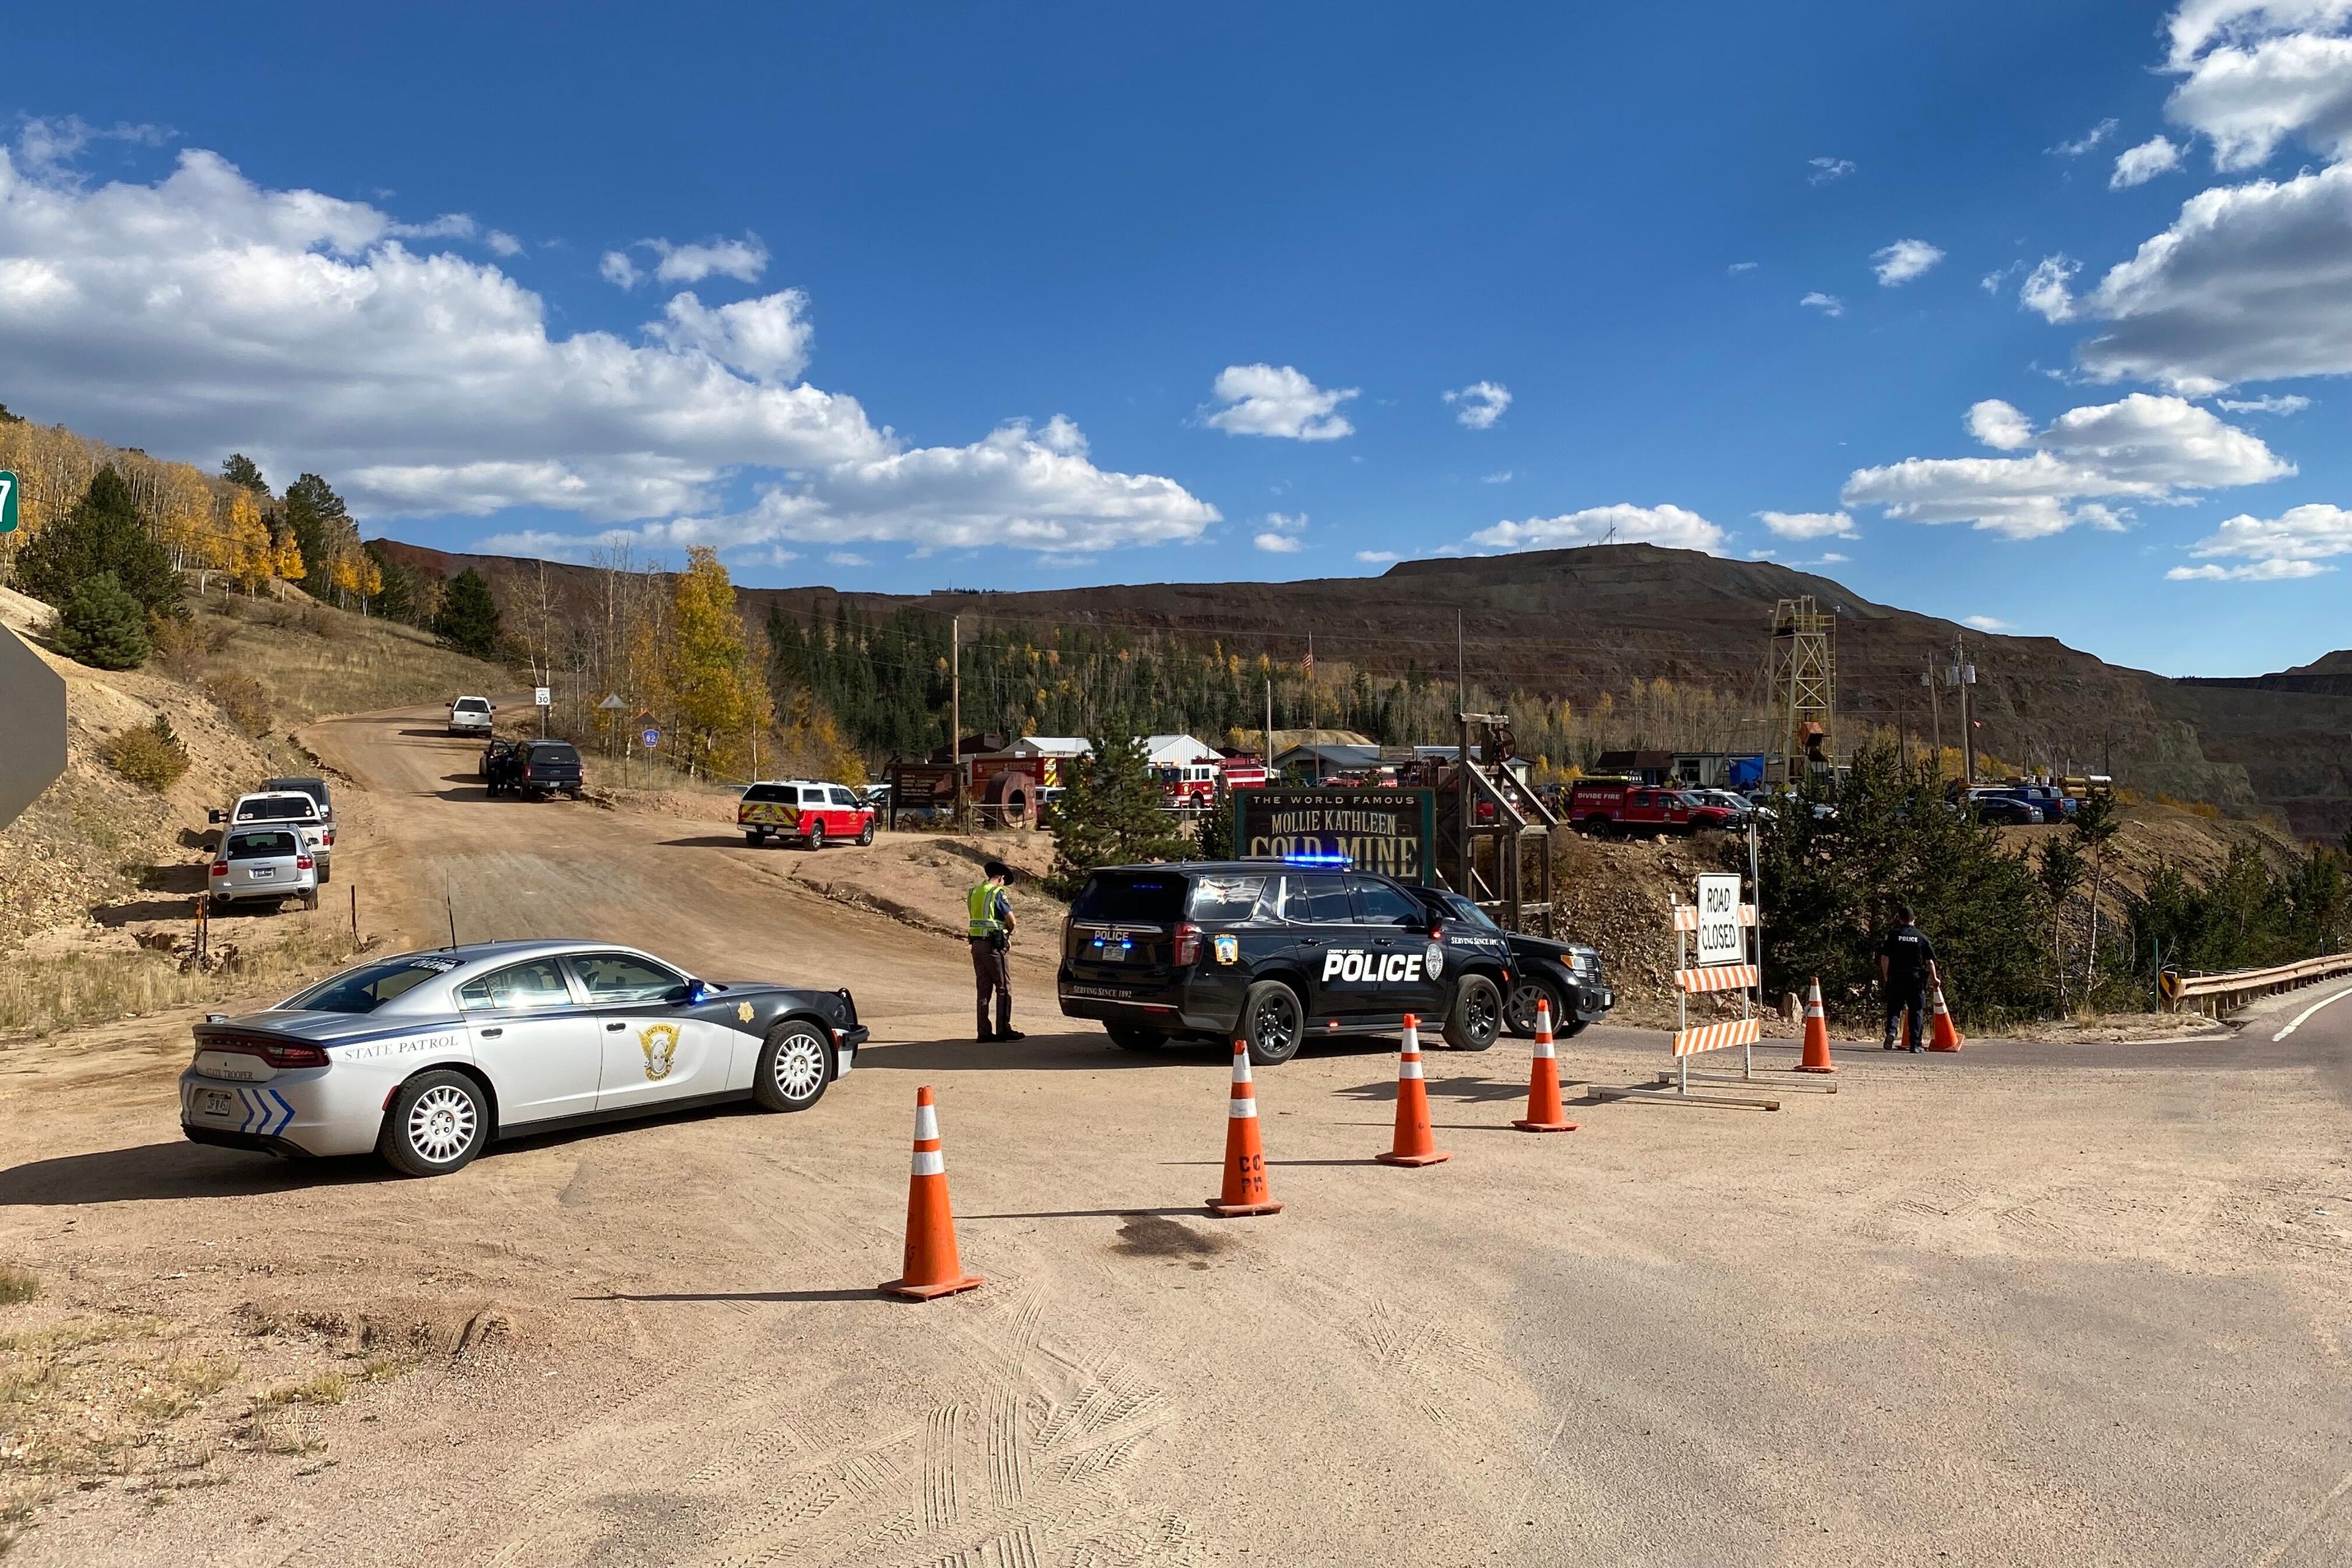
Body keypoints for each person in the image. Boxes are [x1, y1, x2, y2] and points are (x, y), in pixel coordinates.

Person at [967, 861, 1023, 1043]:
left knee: (983, 989)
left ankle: (983, 1032)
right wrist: (1008, 935)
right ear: (1001, 878)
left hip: (976, 945)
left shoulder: (975, 892)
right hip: (993, 946)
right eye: (1004, 882)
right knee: (1003, 987)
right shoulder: (997, 893)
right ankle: (1004, 1029)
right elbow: (1011, 921)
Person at [1877, 903, 1939, 1052]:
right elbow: (1930, 961)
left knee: (1894, 1008)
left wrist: (1887, 977)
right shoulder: (1921, 937)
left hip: (1897, 976)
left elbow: (1884, 958)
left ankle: (1891, 1032)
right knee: (1916, 1010)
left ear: (1900, 919)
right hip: (1916, 978)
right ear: (1914, 919)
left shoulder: (1893, 935)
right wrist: (1934, 978)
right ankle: (1915, 1044)